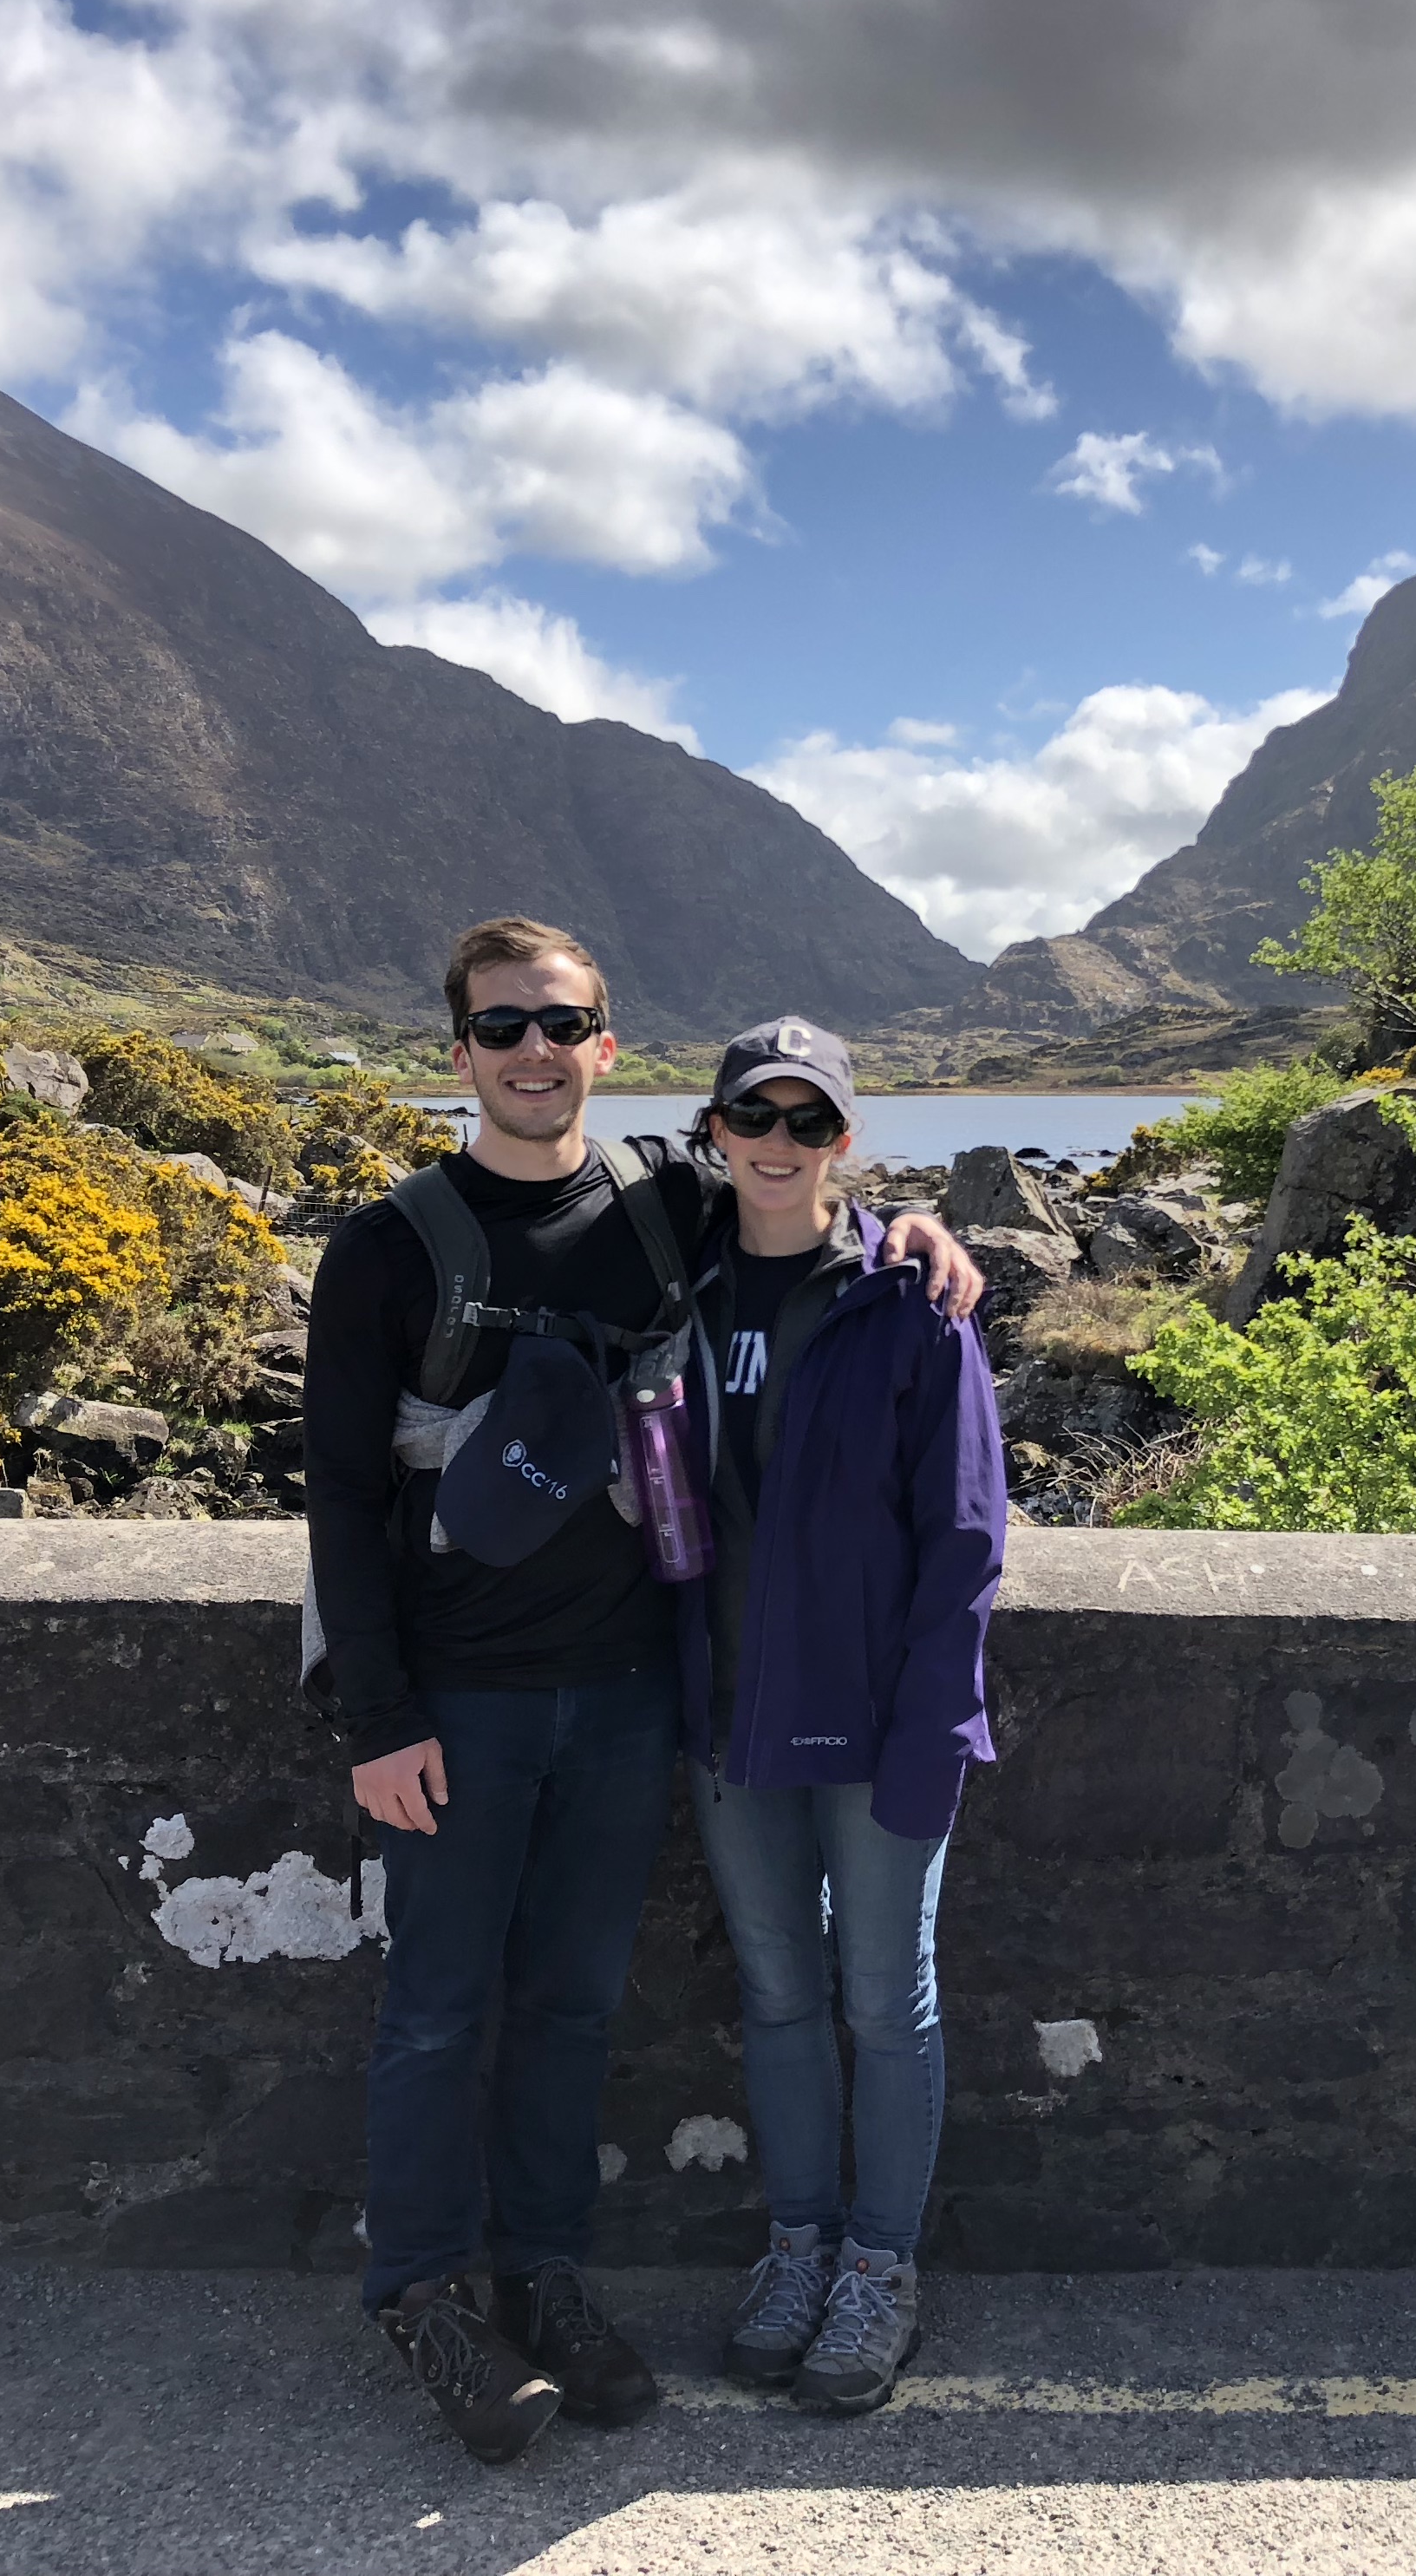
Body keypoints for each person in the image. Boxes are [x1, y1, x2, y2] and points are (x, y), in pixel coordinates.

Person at [301, 922, 981, 2467]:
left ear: (610, 1046)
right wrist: (376, 1715)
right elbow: (342, 1495)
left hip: (622, 1698)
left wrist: (924, 1229)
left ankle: (542, 2277)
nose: (534, 1053)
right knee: (433, 2017)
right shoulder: (388, 1247)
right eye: (502, 1028)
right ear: (458, 1051)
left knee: (570, 2010)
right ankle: (423, 2294)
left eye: (564, 1025)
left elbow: (803, 1204)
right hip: (455, 1703)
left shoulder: (664, 1205)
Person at [685, 1017, 1005, 2418]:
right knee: (774, 1993)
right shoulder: (672, 1283)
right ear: (715, 1129)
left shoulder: (907, 1306)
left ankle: (881, 2267)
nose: (779, 1143)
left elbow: (967, 1539)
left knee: (886, 1999)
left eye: (810, 1123)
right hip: (723, 1715)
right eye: (755, 1115)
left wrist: (940, 1732)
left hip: (874, 1720)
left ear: (845, 1144)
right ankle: (799, 2247)